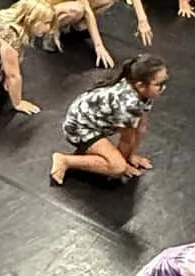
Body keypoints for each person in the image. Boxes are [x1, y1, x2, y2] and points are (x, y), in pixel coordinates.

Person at [50, 54, 167, 189]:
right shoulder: (128, 103)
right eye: (159, 84)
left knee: (133, 137)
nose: (163, 88)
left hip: (93, 120)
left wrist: (133, 155)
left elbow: (141, 127)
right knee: (117, 167)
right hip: (79, 126)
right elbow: (126, 140)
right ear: (141, 85)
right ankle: (64, 160)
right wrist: (123, 165)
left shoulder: (143, 92)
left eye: (165, 82)